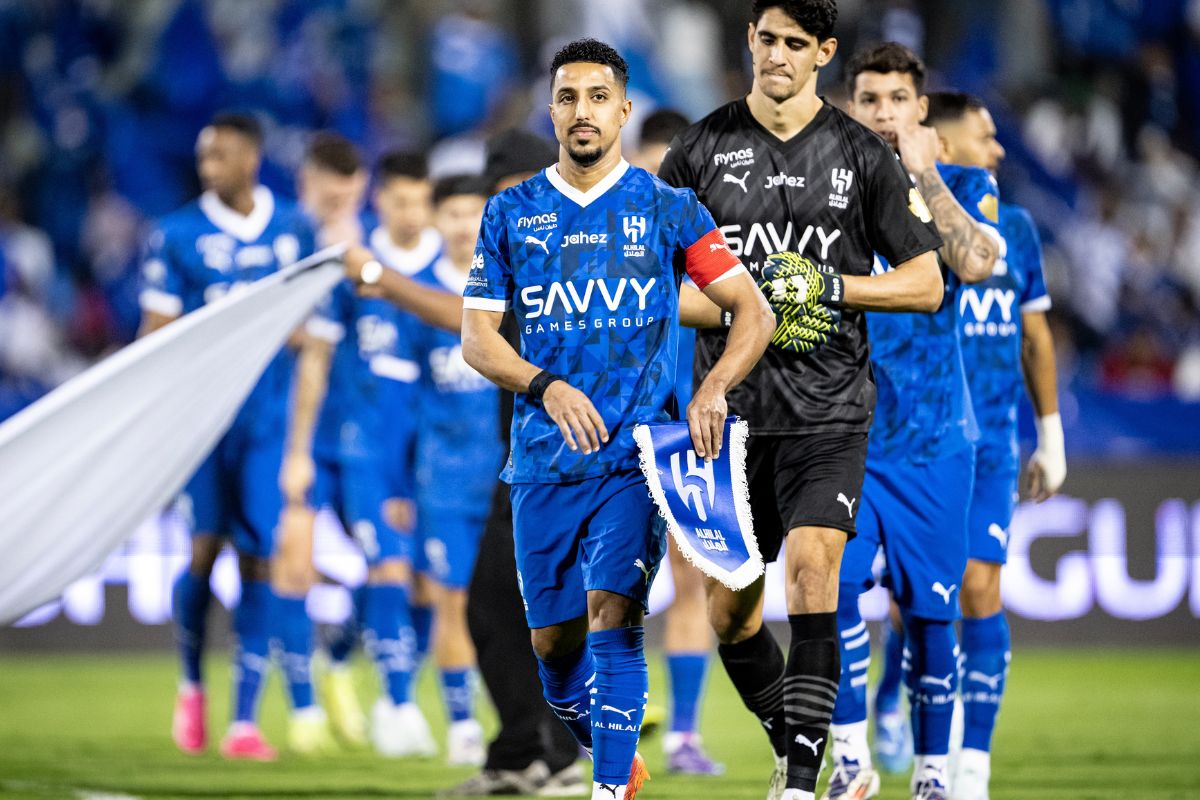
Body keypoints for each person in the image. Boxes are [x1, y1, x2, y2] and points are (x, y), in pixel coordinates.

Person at [459, 38, 775, 800]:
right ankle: (611, 752)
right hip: (542, 459)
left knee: (615, 612)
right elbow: (477, 340)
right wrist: (545, 387)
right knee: (553, 645)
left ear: (624, 109)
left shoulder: (669, 208)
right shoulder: (511, 213)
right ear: (551, 110)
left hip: (638, 455)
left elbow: (753, 310)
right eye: (568, 97)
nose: (583, 111)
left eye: (598, 97)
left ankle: (608, 790)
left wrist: (712, 389)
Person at [657, 4, 945, 799]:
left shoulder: (861, 153)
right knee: (729, 614)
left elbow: (926, 283)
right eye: (766, 39)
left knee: (814, 576)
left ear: (823, 52)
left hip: (830, 410)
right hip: (729, 419)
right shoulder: (698, 150)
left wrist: (826, 286)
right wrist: (749, 307)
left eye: (794, 43)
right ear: (748, 41)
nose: (777, 55)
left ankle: (800, 784)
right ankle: (794, 739)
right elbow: (654, 285)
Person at [827, 43, 1003, 800]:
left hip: (934, 442)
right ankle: (849, 760)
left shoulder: (963, 183)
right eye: (870, 100)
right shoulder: (826, 189)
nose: (884, 114)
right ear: (850, 107)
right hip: (845, 434)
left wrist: (925, 172)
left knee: (931, 615)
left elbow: (977, 263)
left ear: (920, 110)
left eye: (898, 100)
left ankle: (933, 773)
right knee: (828, 592)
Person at [141, 112, 335, 760]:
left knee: (259, 556)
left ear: (251, 159)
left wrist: (300, 443)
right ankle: (191, 682)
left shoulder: (294, 229)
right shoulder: (175, 235)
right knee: (203, 552)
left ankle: (245, 722)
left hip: (266, 423)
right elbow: (154, 335)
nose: (208, 169)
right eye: (203, 158)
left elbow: (317, 341)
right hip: (202, 423)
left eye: (219, 156)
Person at [924, 91, 1066, 800]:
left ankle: (971, 764)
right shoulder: (907, 226)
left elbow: (1036, 336)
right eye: (985, 137)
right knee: (921, 602)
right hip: (921, 441)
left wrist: (1052, 436)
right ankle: (911, 721)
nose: (999, 148)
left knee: (980, 587)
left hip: (991, 445)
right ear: (945, 148)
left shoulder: (1018, 229)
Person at [438, 129, 586, 798]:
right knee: (497, 606)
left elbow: (465, 325)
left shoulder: (568, 256)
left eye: (515, 192)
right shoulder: (511, 260)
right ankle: (532, 753)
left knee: (528, 607)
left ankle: (551, 754)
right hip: (523, 463)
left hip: (565, 462)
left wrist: (383, 282)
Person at [288, 135, 434, 758]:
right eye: (400, 201)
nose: (411, 214)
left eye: (420, 202)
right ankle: (398, 707)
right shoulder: (356, 264)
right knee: (388, 567)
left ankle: (342, 651)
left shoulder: (445, 269)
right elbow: (316, 356)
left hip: (425, 453)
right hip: (359, 448)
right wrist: (299, 448)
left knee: (428, 586)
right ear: (381, 201)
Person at [634, 106, 727, 776]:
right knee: (603, 581)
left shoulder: (704, 229)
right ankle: (595, 723)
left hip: (688, 424)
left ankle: (683, 736)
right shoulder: (610, 224)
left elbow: (736, 306)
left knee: (692, 579)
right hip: (612, 422)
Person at [401, 174, 503, 766]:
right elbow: (398, 400)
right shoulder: (418, 298)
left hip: (505, 477)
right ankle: (463, 724)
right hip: (441, 480)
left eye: (474, 213)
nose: (465, 226)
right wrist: (398, 482)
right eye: (454, 214)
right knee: (451, 600)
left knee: (517, 603)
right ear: (436, 220)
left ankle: (533, 715)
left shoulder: (510, 284)